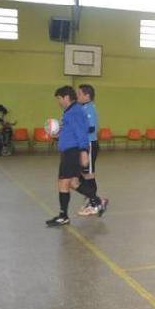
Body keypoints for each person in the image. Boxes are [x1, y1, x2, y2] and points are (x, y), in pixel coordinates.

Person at [45, 86, 101, 227]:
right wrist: (57, 135)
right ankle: (97, 201)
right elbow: (71, 131)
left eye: (59, 98)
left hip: (72, 152)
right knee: (73, 183)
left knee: (63, 183)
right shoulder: (69, 111)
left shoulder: (74, 112)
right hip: (69, 151)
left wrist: (83, 151)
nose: (58, 101)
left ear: (65, 97)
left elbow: (81, 132)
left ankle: (63, 216)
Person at [75, 84, 108, 217]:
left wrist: (75, 129)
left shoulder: (89, 109)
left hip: (89, 144)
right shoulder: (83, 108)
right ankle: (93, 199)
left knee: (88, 174)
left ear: (87, 96)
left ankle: (95, 203)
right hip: (83, 144)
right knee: (82, 175)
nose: (77, 96)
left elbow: (91, 128)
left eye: (79, 94)